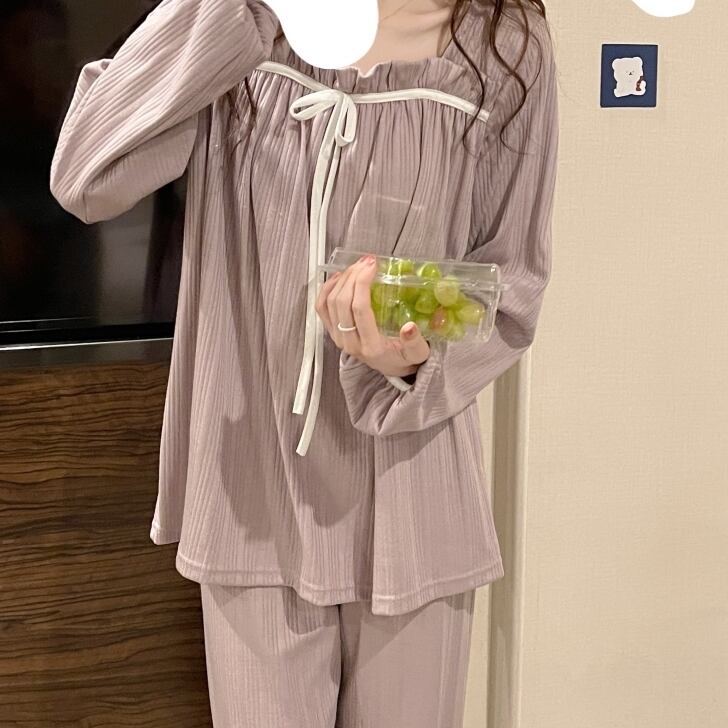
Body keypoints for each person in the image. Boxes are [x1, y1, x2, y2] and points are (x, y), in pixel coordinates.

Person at [49, 0, 559, 725]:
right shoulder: (242, 25)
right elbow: (86, 174)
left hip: (413, 494)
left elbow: (513, 287)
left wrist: (412, 361)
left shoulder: (504, 42)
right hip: (252, 489)